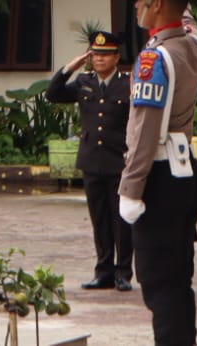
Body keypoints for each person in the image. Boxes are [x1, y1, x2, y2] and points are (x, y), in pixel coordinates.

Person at [116, 0, 197, 346]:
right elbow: (190, 23)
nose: (136, 6)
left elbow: (144, 129)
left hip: (157, 177)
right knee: (178, 279)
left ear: (156, 4)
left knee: (159, 283)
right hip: (184, 174)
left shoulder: (155, 57)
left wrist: (130, 188)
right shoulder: (194, 48)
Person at [45, 29, 132, 291]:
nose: (99, 60)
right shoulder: (84, 82)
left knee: (122, 220)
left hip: (119, 160)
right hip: (92, 160)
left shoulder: (128, 83)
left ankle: (123, 273)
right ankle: (103, 270)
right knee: (100, 219)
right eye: (95, 55)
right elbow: (53, 93)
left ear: (116, 58)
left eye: (105, 55)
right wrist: (69, 67)